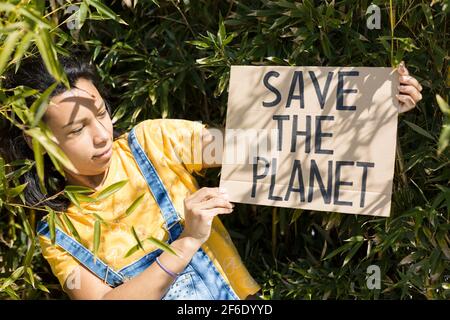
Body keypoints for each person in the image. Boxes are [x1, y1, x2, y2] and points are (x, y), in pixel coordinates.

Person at [0, 54, 422, 300]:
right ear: (40, 143)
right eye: (76, 130)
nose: (99, 134)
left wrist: (372, 110)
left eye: (102, 113)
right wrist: (185, 242)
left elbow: (257, 143)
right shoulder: (57, 229)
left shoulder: (153, 141)